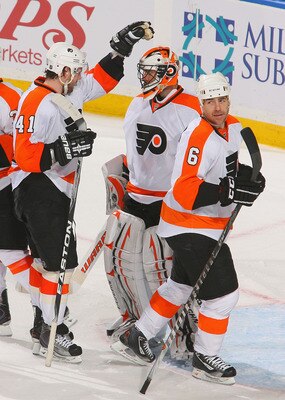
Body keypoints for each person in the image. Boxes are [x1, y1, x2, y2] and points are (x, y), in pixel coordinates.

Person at [10, 21, 154, 363]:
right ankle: (52, 330)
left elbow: (102, 80)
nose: (79, 76)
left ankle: (41, 328)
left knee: (49, 265)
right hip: (38, 189)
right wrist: (63, 149)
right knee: (60, 268)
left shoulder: (67, 91)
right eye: (74, 71)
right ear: (62, 71)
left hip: (51, 190)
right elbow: (26, 156)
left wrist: (121, 49)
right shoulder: (38, 102)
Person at [111, 72, 266, 384]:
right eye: (210, 101)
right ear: (201, 103)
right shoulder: (197, 137)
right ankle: (205, 357)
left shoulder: (232, 126)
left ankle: (136, 336)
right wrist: (227, 192)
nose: (218, 106)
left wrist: (250, 179)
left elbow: (229, 169)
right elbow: (183, 191)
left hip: (202, 223)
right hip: (188, 225)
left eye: (222, 99)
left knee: (178, 286)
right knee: (223, 296)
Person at [103, 46, 201, 359]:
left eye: (151, 72)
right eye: (143, 70)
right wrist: (122, 178)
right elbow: (132, 151)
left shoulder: (191, 110)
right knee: (120, 264)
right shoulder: (137, 103)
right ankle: (135, 324)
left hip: (167, 204)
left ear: (169, 73)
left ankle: (184, 333)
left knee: (163, 270)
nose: (144, 77)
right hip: (134, 198)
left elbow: (198, 161)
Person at [0, 79, 34, 336]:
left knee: (10, 251)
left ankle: (51, 308)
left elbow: (21, 147)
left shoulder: (11, 97)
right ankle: (1, 312)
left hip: (7, 185)